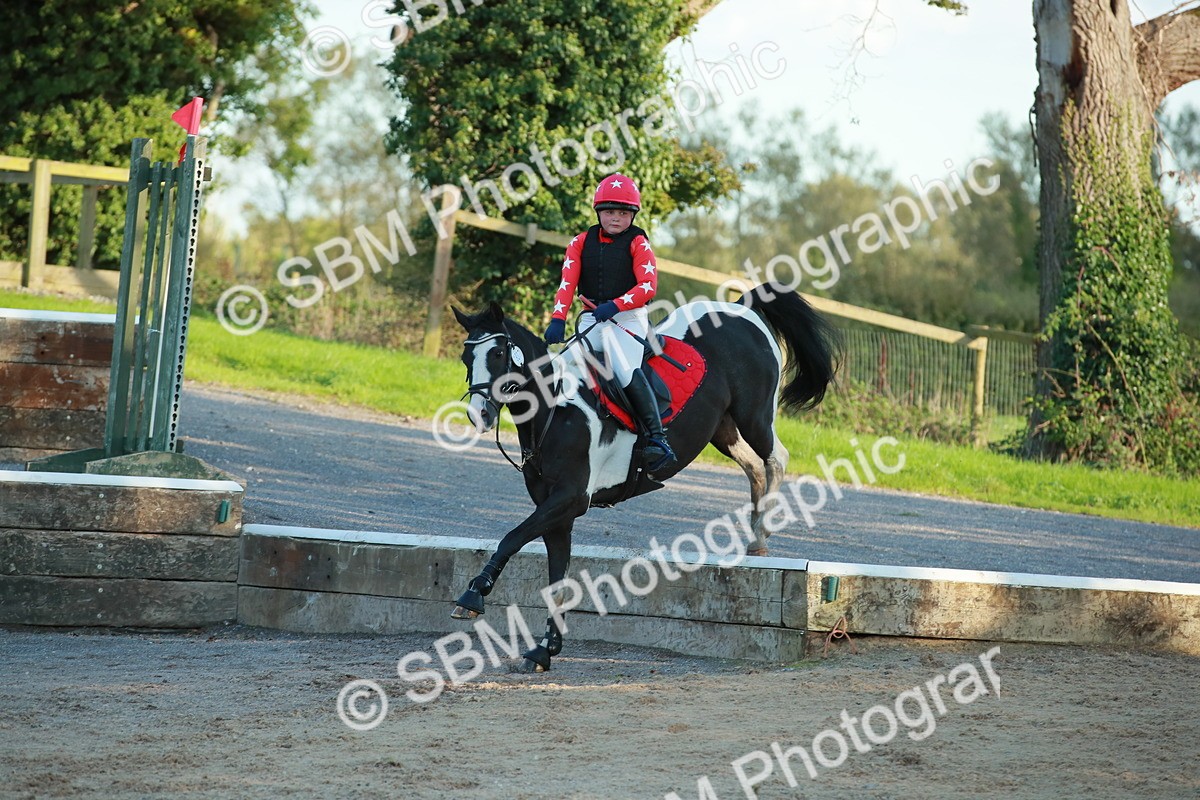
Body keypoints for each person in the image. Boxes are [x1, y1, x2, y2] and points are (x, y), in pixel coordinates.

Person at [543, 173, 676, 471]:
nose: (615, 218)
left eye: (623, 213)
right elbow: (567, 284)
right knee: (564, 364)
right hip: (592, 316)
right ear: (598, 212)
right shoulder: (579, 242)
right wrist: (557, 319)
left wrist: (616, 305)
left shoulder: (639, 243)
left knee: (623, 368)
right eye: (609, 211)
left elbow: (647, 287)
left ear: (632, 215)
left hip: (628, 317)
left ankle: (657, 438)